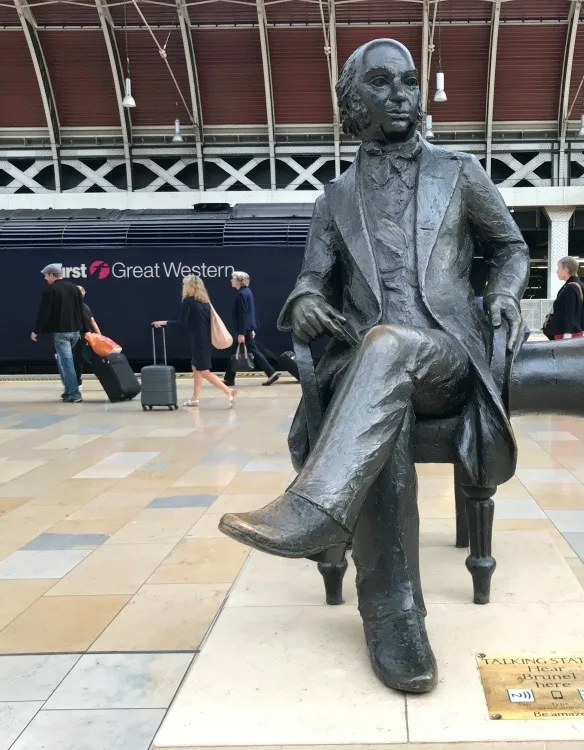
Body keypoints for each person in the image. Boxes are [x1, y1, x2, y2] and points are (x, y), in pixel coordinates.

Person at [219, 39, 527, 694]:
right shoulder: (335, 197)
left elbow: (509, 249)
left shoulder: (459, 171)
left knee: (386, 349)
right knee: (378, 381)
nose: (402, 95)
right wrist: (303, 305)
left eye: (410, 83)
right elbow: (311, 282)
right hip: (362, 364)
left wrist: (503, 293)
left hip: (443, 356)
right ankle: (394, 613)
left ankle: (316, 513)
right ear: (351, 103)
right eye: (383, 83)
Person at [153, 274, 235, 408]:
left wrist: (164, 322)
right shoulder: (205, 302)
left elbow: (182, 323)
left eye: (184, 284)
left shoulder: (188, 301)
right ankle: (195, 399)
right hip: (206, 340)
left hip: (198, 341)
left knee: (204, 371)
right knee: (195, 367)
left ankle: (228, 391)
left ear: (189, 286)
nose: (183, 287)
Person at [31, 263, 86, 403]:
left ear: (51, 274)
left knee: (67, 362)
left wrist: (37, 331)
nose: (45, 278)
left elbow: (44, 313)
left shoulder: (50, 291)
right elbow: (81, 310)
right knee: (64, 360)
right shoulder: (75, 288)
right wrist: (83, 330)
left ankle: (74, 393)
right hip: (75, 331)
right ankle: (68, 391)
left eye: (45, 275)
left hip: (61, 332)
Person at [222, 271, 280, 388]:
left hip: (243, 329)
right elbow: (251, 312)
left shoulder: (241, 294)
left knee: (252, 351)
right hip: (247, 328)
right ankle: (229, 378)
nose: (230, 280)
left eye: (233, 278)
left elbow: (243, 314)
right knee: (237, 352)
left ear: (239, 281)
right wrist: (252, 328)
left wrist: (242, 333)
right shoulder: (247, 292)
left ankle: (271, 373)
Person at [543, 256, 584, 340]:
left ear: (566, 270)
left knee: (564, 353)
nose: (557, 271)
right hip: (576, 332)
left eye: (559, 268)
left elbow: (568, 313)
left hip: (564, 334)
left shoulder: (570, 288)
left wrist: (567, 333)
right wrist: (578, 321)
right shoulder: (580, 285)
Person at [72, 285, 101, 391]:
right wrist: (99, 335)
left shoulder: (76, 307)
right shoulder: (85, 306)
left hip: (80, 336)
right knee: (78, 359)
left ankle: (102, 375)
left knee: (82, 358)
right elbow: (93, 322)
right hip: (82, 335)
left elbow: (92, 322)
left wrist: (99, 335)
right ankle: (78, 381)